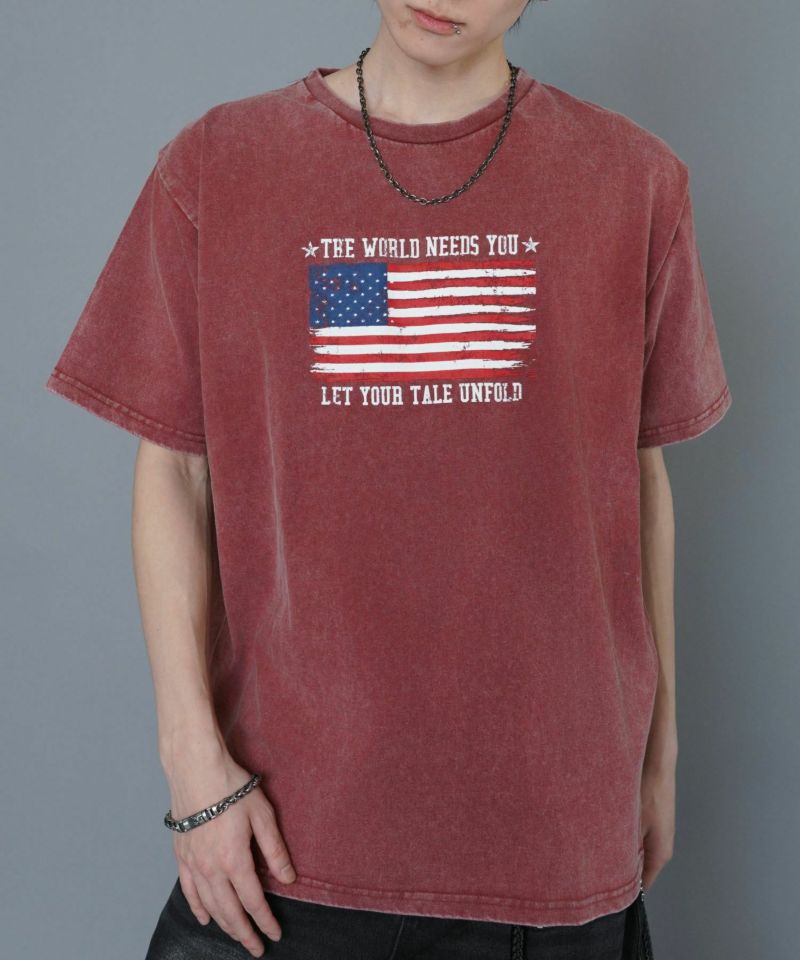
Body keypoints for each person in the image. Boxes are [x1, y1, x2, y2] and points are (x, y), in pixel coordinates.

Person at [43, 1, 732, 957]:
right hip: (288, 830)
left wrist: (660, 757)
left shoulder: (633, 179)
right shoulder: (219, 164)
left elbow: (640, 485)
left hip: (550, 831)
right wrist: (190, 760)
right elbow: (174, 470)